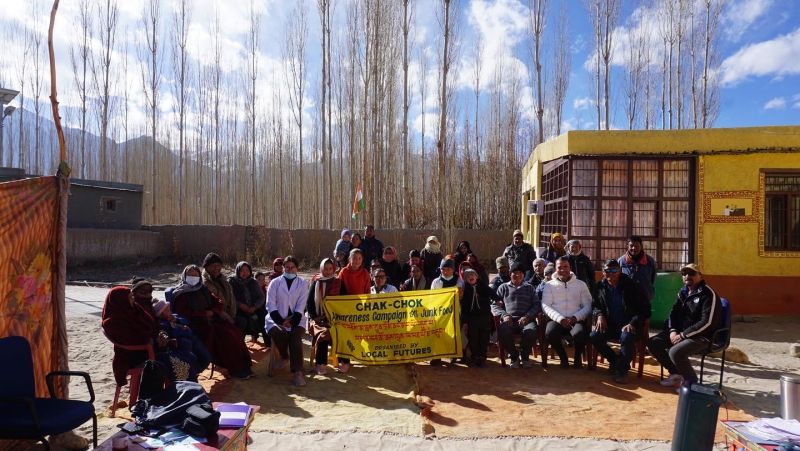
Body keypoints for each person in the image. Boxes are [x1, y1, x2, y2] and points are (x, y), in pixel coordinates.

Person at [647, 263, 722, 389]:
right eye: (684, 273)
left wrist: (683, 335)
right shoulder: (683, 292)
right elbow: (673, 313)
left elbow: (707, 322)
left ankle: (691, 384)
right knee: (653, 343)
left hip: (703, 336)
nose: (687, 276)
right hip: (683, 333)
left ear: (700, 276)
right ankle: (676, 374)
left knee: (675, 352)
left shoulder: (708, 294)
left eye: (691, 273)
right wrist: (673, 330)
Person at [171, 265, 253, 379]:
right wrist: (203, 314)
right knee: (225, 337)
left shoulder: (203, 288)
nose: (193, 277)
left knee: (234, 332)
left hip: (212, 319)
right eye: (190, 275)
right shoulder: (180, 293)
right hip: (195, 324)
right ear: (185, 276)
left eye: (195, 275)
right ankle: (233, 369)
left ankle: (243, 367)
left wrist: (214, 311)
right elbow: (182, 313)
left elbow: (218, 302)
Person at [590, 260, 650, 384]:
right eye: (607, 271)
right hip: (610, 325)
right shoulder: (600, 286)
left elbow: (645, 310)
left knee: (626, 337)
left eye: (614, 270)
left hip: (630, 325)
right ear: (603, 272)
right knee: (594, 336)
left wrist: (633, 323)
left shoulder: (631, 285)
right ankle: (615, 360)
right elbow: (595, 305)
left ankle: (623, 371)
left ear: (619, 271)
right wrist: (599, 315)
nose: (610, 273)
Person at [102, 278, 164, 387]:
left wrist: (160, 334)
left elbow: (152, 324)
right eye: (130, 297)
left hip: (151, 347)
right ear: (120, 301)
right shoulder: (112, 322)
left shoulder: (135, 310)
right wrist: (154, 339)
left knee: (184, 349)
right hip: (135, 356)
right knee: (175, 360)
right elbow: (133, 339)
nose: (133, 299)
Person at [541, 257, 592, 368]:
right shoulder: (549, 285)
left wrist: (575, 317)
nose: (563, 270)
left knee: (580, 334)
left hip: (576, 319)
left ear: (570, 268)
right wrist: (560, 319)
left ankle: (577, 358)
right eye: (559, 267)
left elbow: (588, 305)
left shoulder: (581, 284)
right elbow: (545, 306)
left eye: (566, 267)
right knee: (550, 333)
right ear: (555, 269)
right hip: (557, 319)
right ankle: (563, 358)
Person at [266, 256, 309, 386]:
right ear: (283, 268)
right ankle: (285, 356)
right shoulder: (274, 283)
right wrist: (280, 321)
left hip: (297, 319)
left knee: (295, 335)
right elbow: (270, 304)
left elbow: (301, 305)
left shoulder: (303, 283)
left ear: (297, 268)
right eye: (287, 267)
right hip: (275, 318)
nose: (290, 270)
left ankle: (297, 372)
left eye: (292, 267)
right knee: (278, 332)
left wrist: (292, 321)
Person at [491, 262, 540, 368]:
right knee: (503, 331)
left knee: (531, 331)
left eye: (520, 273)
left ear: (523, 275)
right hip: (509, 319)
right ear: (510, 274)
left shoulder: (530, 288)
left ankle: (525, 356)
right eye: (514, 272)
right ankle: (514, 356)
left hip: (526, 319)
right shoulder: (503, 287)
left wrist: (528, 316)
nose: (517, 275)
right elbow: (494, 305)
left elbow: (536, 305)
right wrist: (504, 315)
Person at [152, 299, 211, 382]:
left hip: (191, 341)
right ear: (161, 314)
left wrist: (177, 321)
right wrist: (180, 329)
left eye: (169, 309)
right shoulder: (163, 324)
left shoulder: (174, 317)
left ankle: (195, 371)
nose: (169, 311)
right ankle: (191, 376)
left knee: (205, 356)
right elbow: (170, 336)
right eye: (166, 310)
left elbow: (185, 321)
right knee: (190, 359)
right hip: (180, 346)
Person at [335, 248, 371, 373]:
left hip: (359, 309)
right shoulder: (344, 272)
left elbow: (367, 292)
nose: (357, 261)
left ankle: (355, 354)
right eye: (354, 258)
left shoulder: (365, 273)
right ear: (350, 259)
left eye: (359, 258)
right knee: (345, 334)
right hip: (346, 308)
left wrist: (364, 307)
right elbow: (338, 289)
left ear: (362, 260)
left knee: (358, 334)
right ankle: (345, 361)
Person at [306, 258, 342, 375]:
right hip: (318, 319)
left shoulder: (338, 282)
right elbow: (309, 303)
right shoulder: (316, 282)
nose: (328, 271)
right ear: (322, 269)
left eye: (330, 269)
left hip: (335, 319)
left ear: (334, 269)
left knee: (343, 331)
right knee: (324, 333)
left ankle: (344, 362)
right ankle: (320, 363)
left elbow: (344, 301)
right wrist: (314, 317)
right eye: (325, 269)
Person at [461, 268, 500, 367]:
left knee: (484, 337)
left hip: (484, 316)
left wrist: (497, 300)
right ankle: (475, 356)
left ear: (476, 276)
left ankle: (482, 357)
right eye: (468, 276)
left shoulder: (483, 286)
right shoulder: (465, 290)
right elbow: (464, 307)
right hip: (472, 317)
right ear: (465, 279)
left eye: (472, 275)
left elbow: (492, 293)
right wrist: (465, 321)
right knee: (473, 338)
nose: (471, 277)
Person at [429, 256, 463, 366]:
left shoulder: (459, 281)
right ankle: (437, 356)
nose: (445, 271)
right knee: (438, 333)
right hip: (439, 312)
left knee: (454, 333)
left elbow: (460, 296)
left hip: (454, 312)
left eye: (448, 269)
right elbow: (432, 297)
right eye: (443, 269)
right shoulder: (436, 282)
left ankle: (453, 354)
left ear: (453, 270)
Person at [228, 261, 267, 344]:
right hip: (237, 309)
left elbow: (261, 297)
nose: (245, 273)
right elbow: (230, 298)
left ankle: (268, 344)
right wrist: (240, 305)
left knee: (264, 317)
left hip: (253, 308)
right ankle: (239, 344)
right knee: (242, 321)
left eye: (247, 270)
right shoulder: (231, 282)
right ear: (238, 271)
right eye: (242, 270)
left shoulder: (253, 282)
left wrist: (255, 307)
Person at [617, 235, 657, 304]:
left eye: (637, 246)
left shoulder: (650, 261)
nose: (634, 248)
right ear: (627, 246)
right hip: (627, 299)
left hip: (645, 298)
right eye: (631, 246)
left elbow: (652, 279)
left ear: (641, 246)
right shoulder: (621, 261)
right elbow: (618, 279)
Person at [202, 253, 237, 321]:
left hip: (229, 316)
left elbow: (231, 299)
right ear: (206, 267)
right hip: (216, 318)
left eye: (218, 265)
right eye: (213, 266)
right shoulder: (204, 283)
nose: (216, 268)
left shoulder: (223, 280)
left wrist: (232, 315)